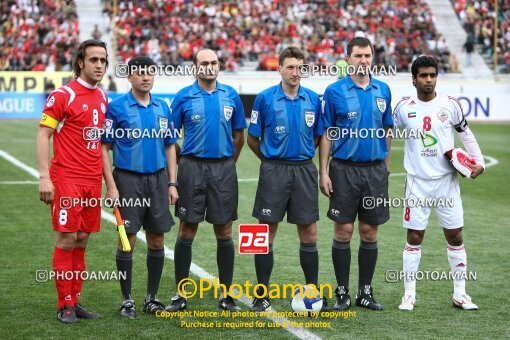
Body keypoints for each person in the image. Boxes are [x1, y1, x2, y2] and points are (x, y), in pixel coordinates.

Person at [392, 56, 484, 311]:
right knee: (414, 236)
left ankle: (460, 294)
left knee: (455, 235)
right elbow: (387, 133)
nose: (429, 80)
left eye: (432, 75)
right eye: (423, 75)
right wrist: (384, 163)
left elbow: (466, 133)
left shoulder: (451, 105)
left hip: (447, 182)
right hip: (417, 183)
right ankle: (409, 294)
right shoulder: (402, 107)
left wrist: (479, 163)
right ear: (414, 79)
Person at [246, 46, 327, 312]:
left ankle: (313, 293)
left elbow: (319, 136)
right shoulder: (265, 99)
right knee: (264, 232)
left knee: (310, 232)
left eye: (299, 67)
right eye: (290, 67)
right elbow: (252, 138)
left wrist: (302, 156)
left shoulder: (313, 99)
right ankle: (262, 294)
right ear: (279, 68)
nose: (295, 72)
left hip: (304, 170)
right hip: (273, 171)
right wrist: (271, 161)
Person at [165, 49, 247, 312]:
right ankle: (180, 294)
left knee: (224, 232)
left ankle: (226, 295)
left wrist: (226, 163)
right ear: (195, 67)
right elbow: (169, 137)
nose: (209, 67)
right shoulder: (183, 97)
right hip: (192, 169)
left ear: (219, 66)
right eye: (204, 63)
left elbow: (239, 137)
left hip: (223, 169)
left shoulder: (231, 95)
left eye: (213, 63)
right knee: (187, 230)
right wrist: (183, 162)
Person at [37, 39, 109, 324]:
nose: (99, 65)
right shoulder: (62, 95)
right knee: (66, 239)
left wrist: (108, 183)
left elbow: (101, 143)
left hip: (92, 180)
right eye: (94, 60)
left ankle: (75, 301)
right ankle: (63, 304)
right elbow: (43, 134)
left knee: (81, 240)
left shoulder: (103, 97)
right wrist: (44, 177)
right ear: (81, 62)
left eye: (103, 60)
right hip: (66, 177)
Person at [101, 56, 179, 318]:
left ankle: (151, 298)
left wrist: (171, 182)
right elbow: (104, 148)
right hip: (127, 181)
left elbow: (170, 145)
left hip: (157, 181)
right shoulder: (117, 108)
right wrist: (111, 186)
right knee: (127, 241)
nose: (146, 77)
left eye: (150, 73)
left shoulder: (162, 107)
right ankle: (127, 300)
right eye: (140, 73)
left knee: (157, 240)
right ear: (130, 77)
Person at [319, 37, 393, 311]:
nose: (363, 60)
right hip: (343, 170)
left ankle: (365, 291)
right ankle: (342, 292)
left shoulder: (382, 89)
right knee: (344, 232)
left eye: (368, 56)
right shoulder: (334, 91)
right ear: (348, 58)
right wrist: (323, 171)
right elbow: (327, 132)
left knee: (370, 233)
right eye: (358, 55)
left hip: (374, 171)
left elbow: (387, 130)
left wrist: (386, 165)